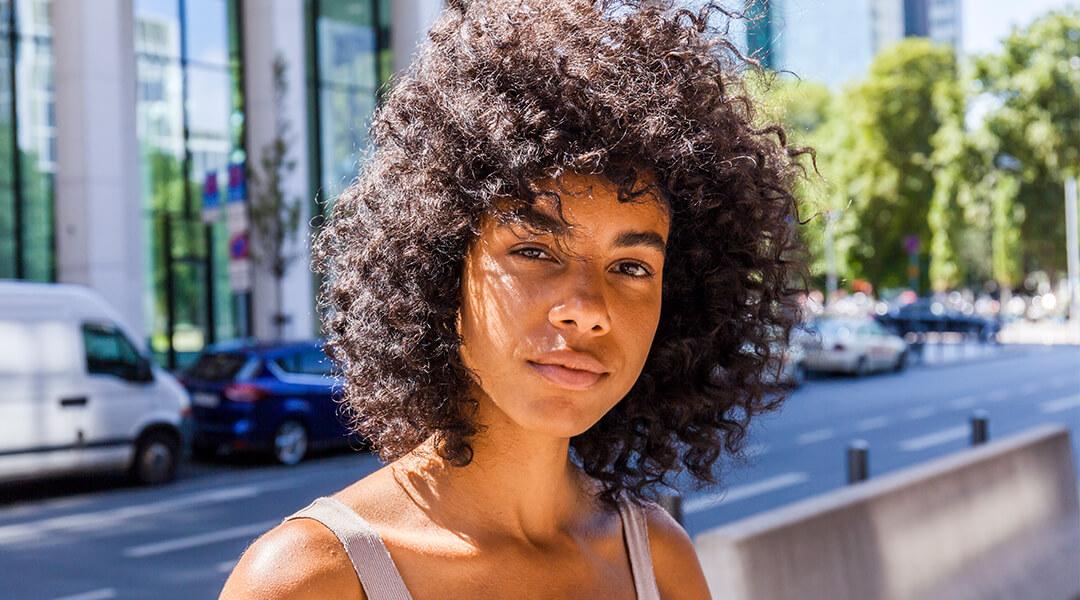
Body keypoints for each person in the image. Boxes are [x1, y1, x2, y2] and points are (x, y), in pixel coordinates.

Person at [220, 0, 807, 598]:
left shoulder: (657, 558)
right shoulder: (309, 578)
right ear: (442, 269)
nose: (588, 307)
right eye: (534, 250)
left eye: (631, 266)